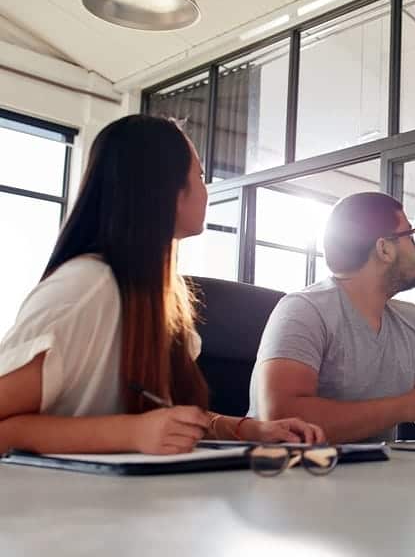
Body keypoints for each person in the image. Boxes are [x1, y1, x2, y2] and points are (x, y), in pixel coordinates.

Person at [0, 115, 324, 455]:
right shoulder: (86, 287)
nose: (205, 189)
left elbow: (165, 417)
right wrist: (131, 433)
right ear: (165, 188)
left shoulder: (161, 296)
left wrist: (249, 429)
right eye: (199, 175)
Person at [249, 192, 415, 444]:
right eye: (410, 235)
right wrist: (405, 406)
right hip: (294, 474)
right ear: (384, 248)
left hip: (376, 474)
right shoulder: (303, 310)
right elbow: (281, 418)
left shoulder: (411, 318)